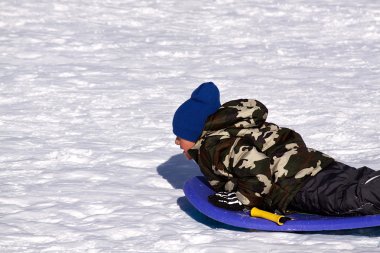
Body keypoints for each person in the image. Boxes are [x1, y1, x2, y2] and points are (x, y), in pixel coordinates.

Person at [172, 82, 380, 216]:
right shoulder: (236, 130)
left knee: (352, 197)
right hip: (316, 164)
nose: (176, 142)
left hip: (297, 185)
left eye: (180, 136)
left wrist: (242, 199)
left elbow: (257, 167)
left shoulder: (215, 146)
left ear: (195, 134)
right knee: (360, 179)